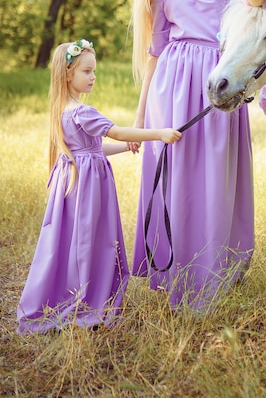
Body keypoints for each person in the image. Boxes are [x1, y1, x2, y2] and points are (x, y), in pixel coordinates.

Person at [130, 0, 254, 313]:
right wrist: (140, 116)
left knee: (217, 173)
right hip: (172, 86)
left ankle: (215, 269)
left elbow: (248, 25)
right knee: (178, 177)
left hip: (217, 80)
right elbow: (154, 54)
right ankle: (177, 272)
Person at [17, 39, 181, 334]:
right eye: (87, 71)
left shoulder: (63, 110)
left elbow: (90, 150)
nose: (93, 77)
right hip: (87, 187)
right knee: (92, 237)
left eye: (94, 71)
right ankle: (87, 294)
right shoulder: (83, 112)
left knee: (70, 239)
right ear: (68, 74)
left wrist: (125, 149)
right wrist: (159, 133)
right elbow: (117, 131)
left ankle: (67, 289)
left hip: (71, 183)